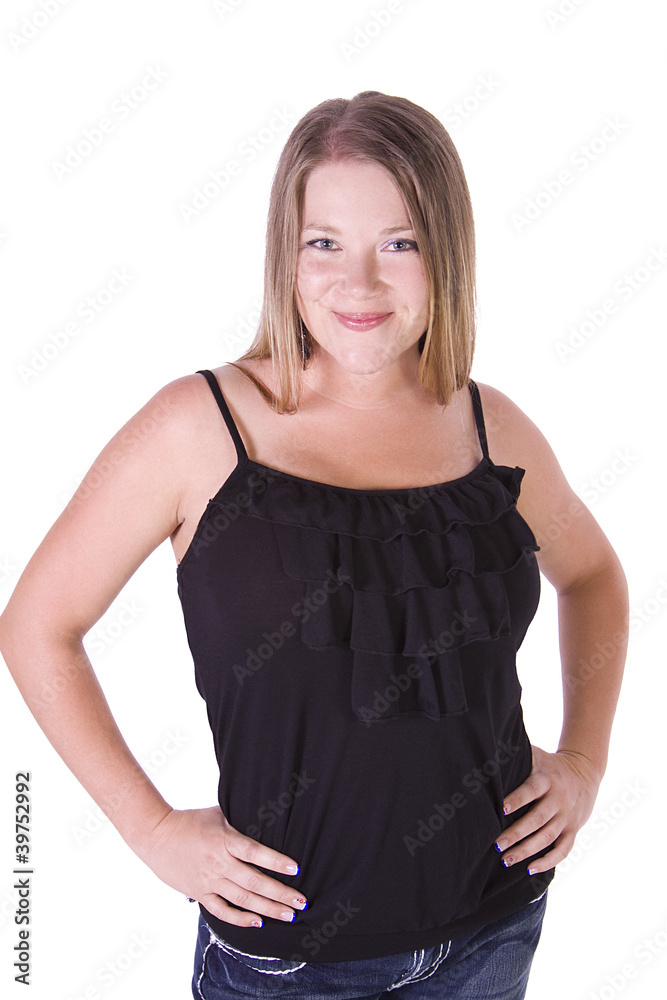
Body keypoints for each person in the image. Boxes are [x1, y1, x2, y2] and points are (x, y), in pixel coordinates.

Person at [0, 91, 628, 999]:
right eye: (323, 243)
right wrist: (150, 830)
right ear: (283, 256)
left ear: (446, 253)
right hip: (286, 958)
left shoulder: (492, 427)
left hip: (493, 931)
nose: (358, 284)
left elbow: (595, 575)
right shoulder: (199, 427)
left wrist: (584, 763)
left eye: (399, 244)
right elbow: (36, 626)